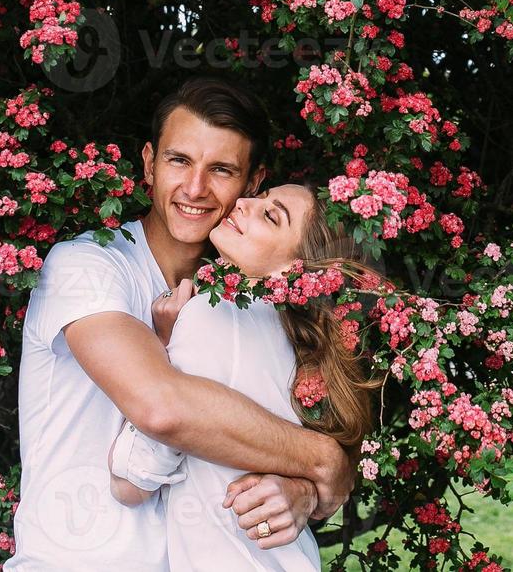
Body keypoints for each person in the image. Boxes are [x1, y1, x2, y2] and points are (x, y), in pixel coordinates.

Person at [7, 77, 354, 571]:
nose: (195, 188)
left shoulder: (252, 311)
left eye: (221, 169)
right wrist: (324, 463)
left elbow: (262, 434)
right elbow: (160, 406)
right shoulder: (86, 265)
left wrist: (299, 488)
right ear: (148, 163)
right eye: (179, 161)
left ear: (252, 183)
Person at [106, 182, 381, 570]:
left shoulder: (214, 313)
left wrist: (161, 351)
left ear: (295, 268)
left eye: (271, 215)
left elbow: (130, 484)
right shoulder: (297, 349)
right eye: (262, 196)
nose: (245, 203)